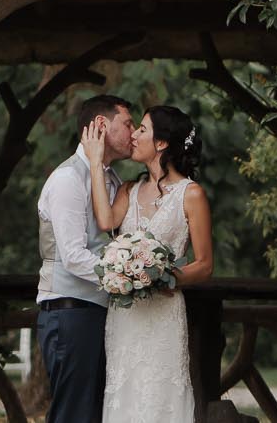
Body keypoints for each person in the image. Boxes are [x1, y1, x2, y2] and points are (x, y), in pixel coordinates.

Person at [80, 103, 214, 422]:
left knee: (161, 399)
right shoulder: (129, 189)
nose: (134, 135)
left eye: (142, 129)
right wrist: (96, 162)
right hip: (125, 317)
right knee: (124, 397)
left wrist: (165, 276)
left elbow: (205, 264)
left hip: (164, 315)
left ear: (161, 142)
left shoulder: (191, 195)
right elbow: (105, 221)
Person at [37, 93, 135, 423]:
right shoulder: (67, 178)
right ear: (101, 125)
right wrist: (128, 277)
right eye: (128, 124)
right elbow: (74, 257)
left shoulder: (112, 179)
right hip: (70, 312)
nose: (133, 132)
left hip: (100, 311)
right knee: (74, 415)